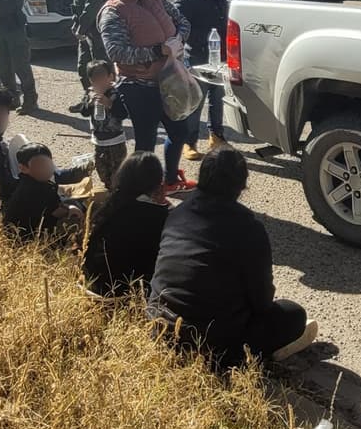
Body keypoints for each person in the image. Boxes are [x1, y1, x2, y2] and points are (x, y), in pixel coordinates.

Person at [147, 145, 317, 369]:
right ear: (241, 186)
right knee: (293, 314)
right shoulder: (248, 228)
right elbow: (262, 302)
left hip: (158, 326)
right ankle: (246, 360)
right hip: (212, 344)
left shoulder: (177, 213)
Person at [96, 0, 192, 190]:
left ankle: (169, 179)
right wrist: (158, 51)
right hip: (138, 86)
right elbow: (117, 52)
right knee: (146, 142)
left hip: (170, 81)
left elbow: (183, 23)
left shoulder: (154, 0)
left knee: (180, 132)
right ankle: (143, 189)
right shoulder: (112, 13)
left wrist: (177, 41)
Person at [82, 152, 168, 295]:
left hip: (94, 285)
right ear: (158, 183)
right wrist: (164, 206)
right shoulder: (156, 214)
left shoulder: (110, 205)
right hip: (127, 292)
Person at [173, 0, 229, 160]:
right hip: (197, 58)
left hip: (219, 58)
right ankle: (190, 142)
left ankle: (216, 135)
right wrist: (201, 38)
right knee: (196, 101)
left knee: (218, 97)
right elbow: (177, 25)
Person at [3, 142, 85, 239]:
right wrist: (71, 208)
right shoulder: (35, 189)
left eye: (48, 165)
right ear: (23, 168)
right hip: (30, 239)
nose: (46, 170)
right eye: (40, 166)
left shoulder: (24, 181)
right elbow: (56, 212)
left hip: (22, 233)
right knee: (77, 212)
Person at [67, 0, 109, 115]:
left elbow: (92, 6)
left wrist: (81, 28)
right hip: (85, 29)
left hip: (94, 30)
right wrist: (77, 26)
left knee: (99, 70)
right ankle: (88, 100)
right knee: (83, 68)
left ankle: (104, 103)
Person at [86, 60, 129, 189]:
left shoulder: (116, 93)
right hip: (99, 141)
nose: (99, 82)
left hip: (115, 140)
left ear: (110, 77)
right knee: (101, 168)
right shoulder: (90, 93)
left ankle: (118, 190)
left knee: (118, 170)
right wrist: (89, 104)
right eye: (95, 79)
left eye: (102, 77)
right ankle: (108, 186)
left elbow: (123, 114)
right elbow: (84, 111)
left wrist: (109, 104)